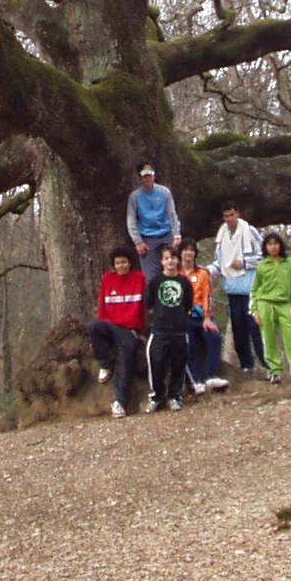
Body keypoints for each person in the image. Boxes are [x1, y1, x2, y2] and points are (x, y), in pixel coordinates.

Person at [88, 246, 146, 418]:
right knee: (94, 327)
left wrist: (141, 331)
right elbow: (102, 307)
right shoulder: (108, 279)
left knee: (125, 359)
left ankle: (119, 402)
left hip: (130, 330)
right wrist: (102, 321)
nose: (121, 266)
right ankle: (106, 362)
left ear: (130, 263)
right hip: (111, 326)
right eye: (118, 263)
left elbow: (143, 308)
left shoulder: (139, 278)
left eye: (124, 262)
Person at [209, 201, 266, 375]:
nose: (229, 219)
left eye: (232, 215)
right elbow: (221, 263)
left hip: (250, 287)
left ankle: (268, 364)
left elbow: (264, 256)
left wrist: (244, 263)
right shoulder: (222, 236)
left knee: (255, 328)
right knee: (238, 328)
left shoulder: (249, 231)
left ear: (238, 214)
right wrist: (206, 272)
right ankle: (246, 364)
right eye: (226, 216)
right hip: (232, 288)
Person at [252, 231, 291, 386]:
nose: (273, 247)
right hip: (265, 303)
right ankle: (274, 371)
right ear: (266, 247)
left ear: (280, 245)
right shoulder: (261, 266)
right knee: (269, 339)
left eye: (275, 244)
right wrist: (254, 311)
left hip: (284, 304)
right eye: (270, 244)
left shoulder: (289, 263)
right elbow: (254, 289)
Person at [142, 245, 193, 413]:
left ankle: (174, 396)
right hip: (159, 330)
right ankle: (156, 396)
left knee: (179, 364)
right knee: (157, 362)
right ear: (161, 262)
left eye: (172, 257)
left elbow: (187, 304)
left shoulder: (184, 282)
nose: (170, 261)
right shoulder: (156, 282)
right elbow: (149, 304)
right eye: (166, 258)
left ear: (178, 260)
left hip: (179, 330)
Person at [179, 242, 229, 394]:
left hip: (201, 315)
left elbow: (207, 296)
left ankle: (211, 376)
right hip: (183, 317)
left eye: (191, 250)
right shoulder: (176, 274)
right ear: (180, 253)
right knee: (190, 345)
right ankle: (196, 380)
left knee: (214, 337)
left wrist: (207, 317)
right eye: (185, 250)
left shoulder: (202, 273)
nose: (188, 253)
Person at [126, 162, 181, 274]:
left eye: (150, 175)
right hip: (147, 238)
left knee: (172, 269)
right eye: (145, 176)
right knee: (151, 274)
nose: (148, 179)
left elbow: (172, 214)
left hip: (166, 235)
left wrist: (176, 234)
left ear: (154, 176)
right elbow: (131, 220)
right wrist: (138, 241)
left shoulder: (164, 192)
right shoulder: (135, 196)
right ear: (141, 178)